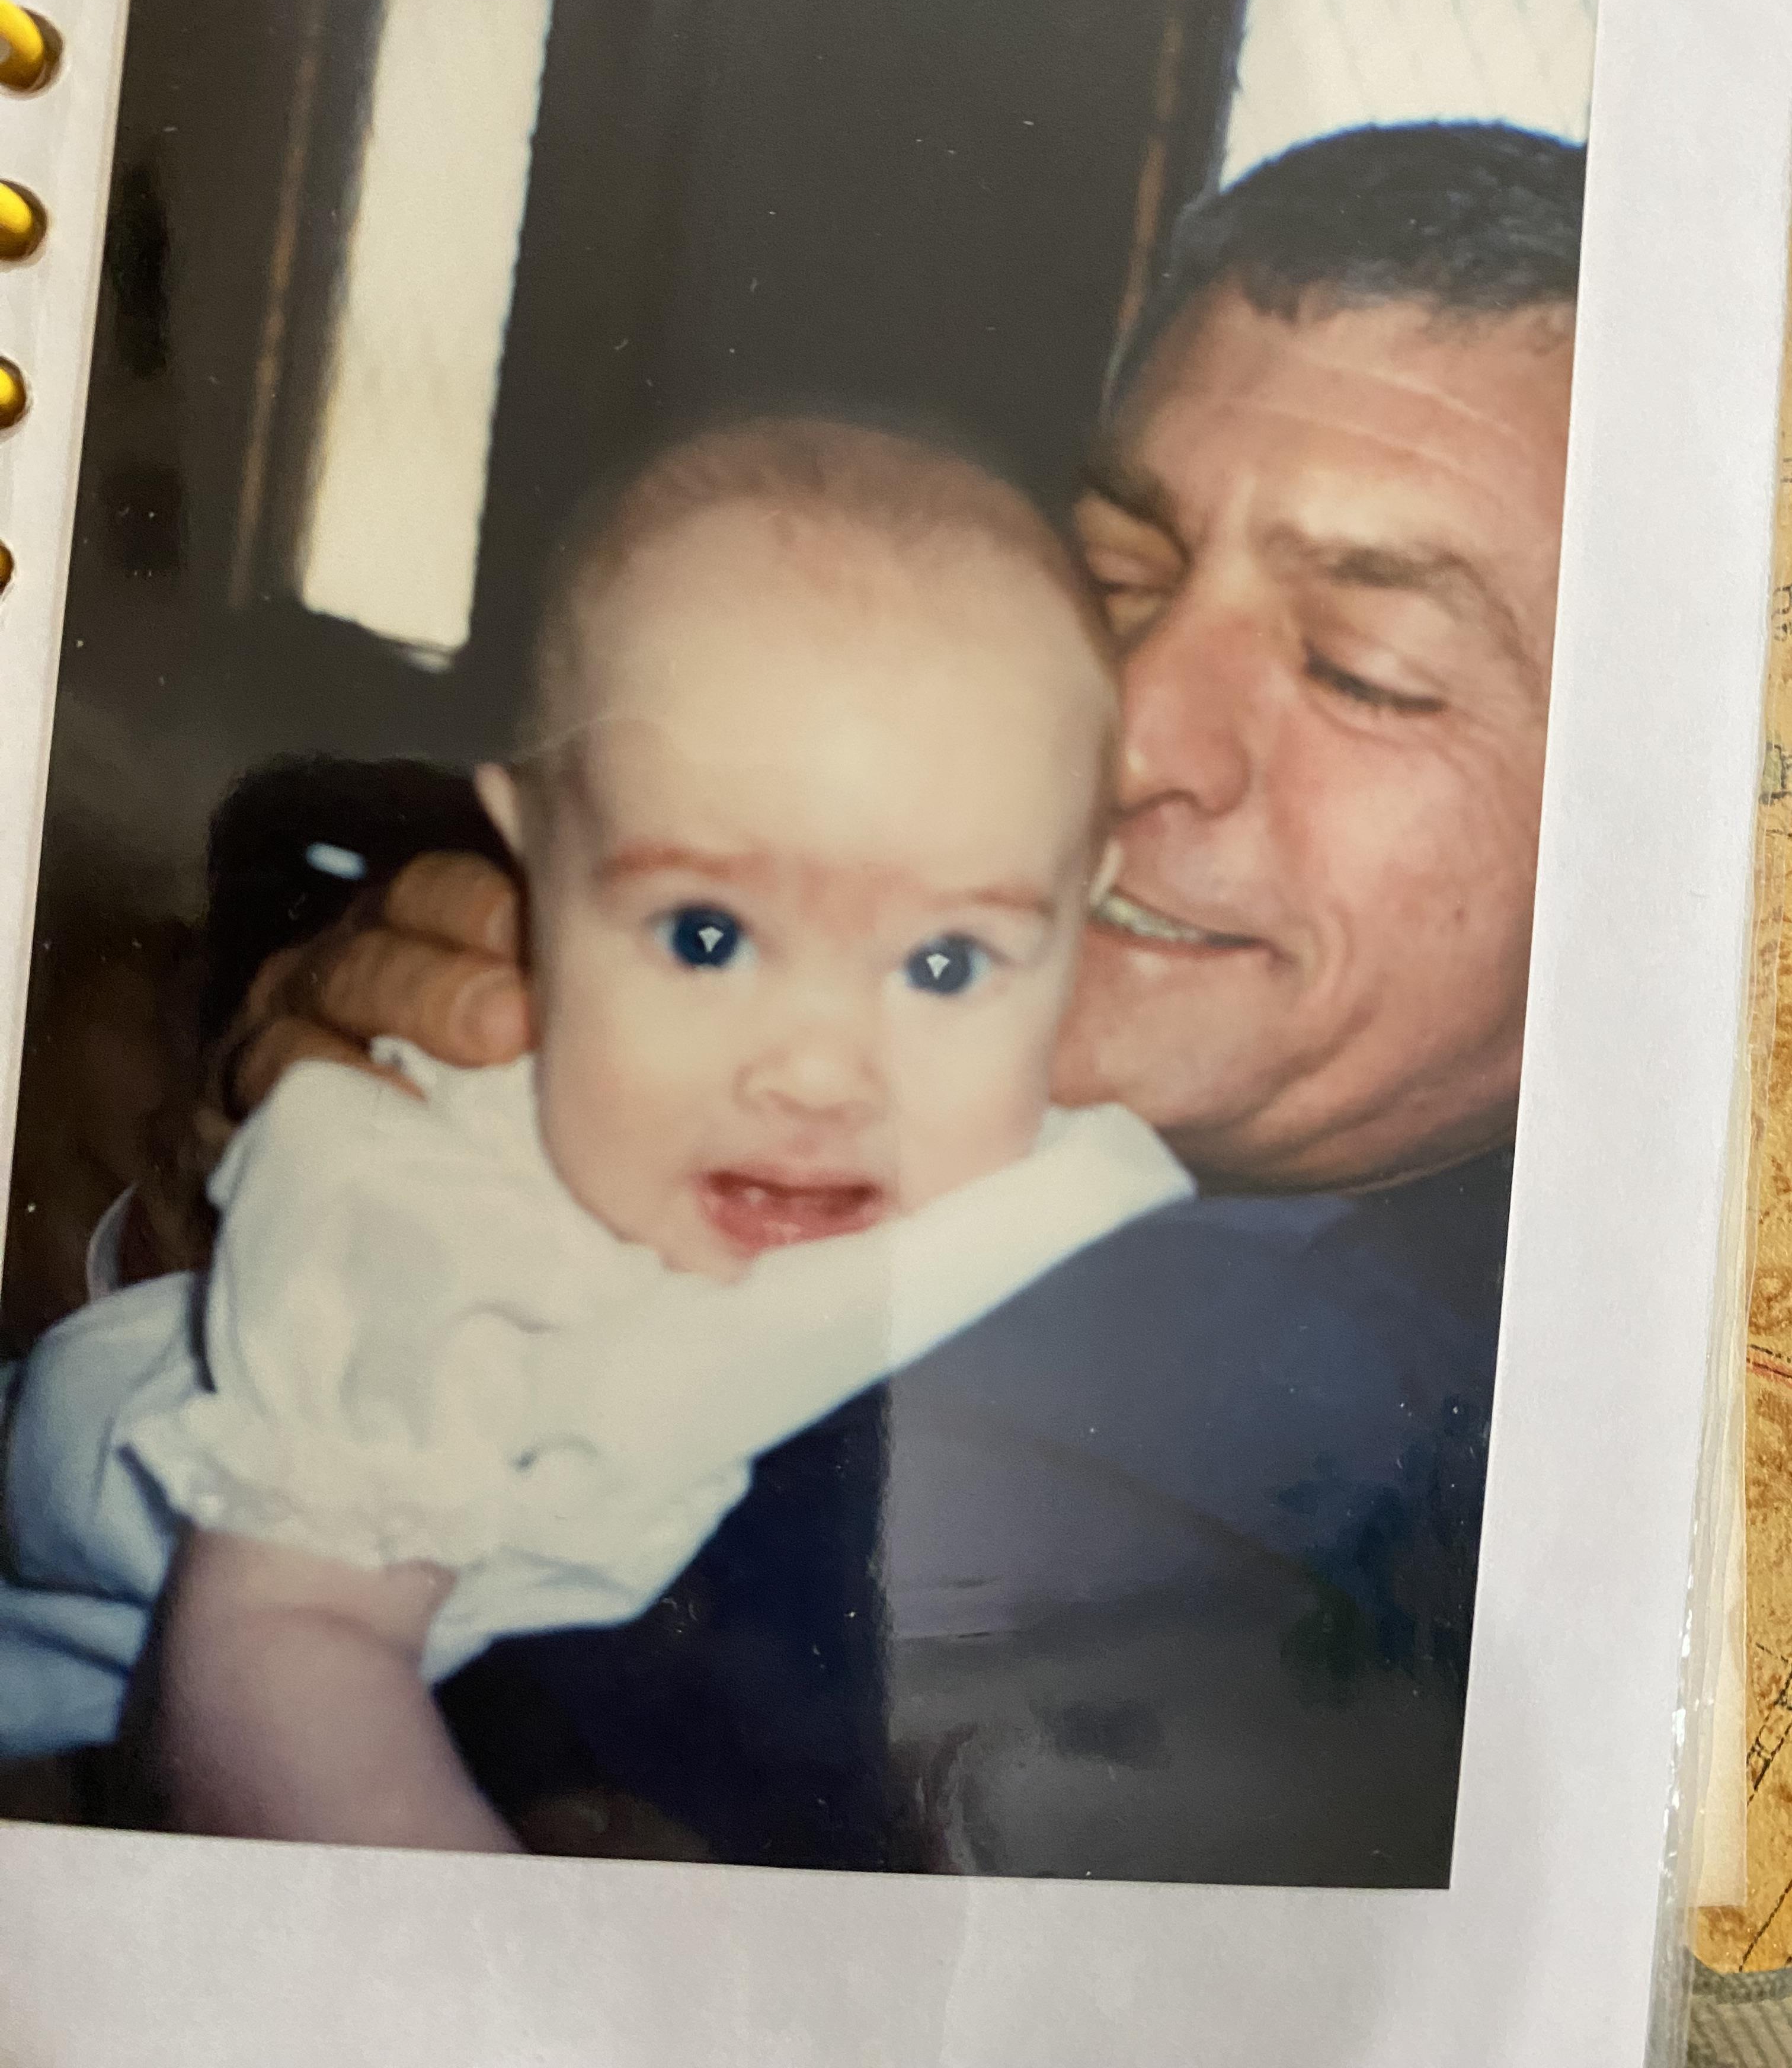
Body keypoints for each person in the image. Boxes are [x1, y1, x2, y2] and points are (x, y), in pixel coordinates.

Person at [7, 120, 1584, 1881]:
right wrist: (225, 1228)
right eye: (1114, 576)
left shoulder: (1470, 1489)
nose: (1131, 728)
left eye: (1365, 672)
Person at [0, 418, 1193, 1847]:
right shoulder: (421, 1204)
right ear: (531, 856)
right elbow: (281, 1656)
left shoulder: (1093, 1200)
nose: (819, 1075)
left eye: (945, 964)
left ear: (1084, 909)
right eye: (705, 936)